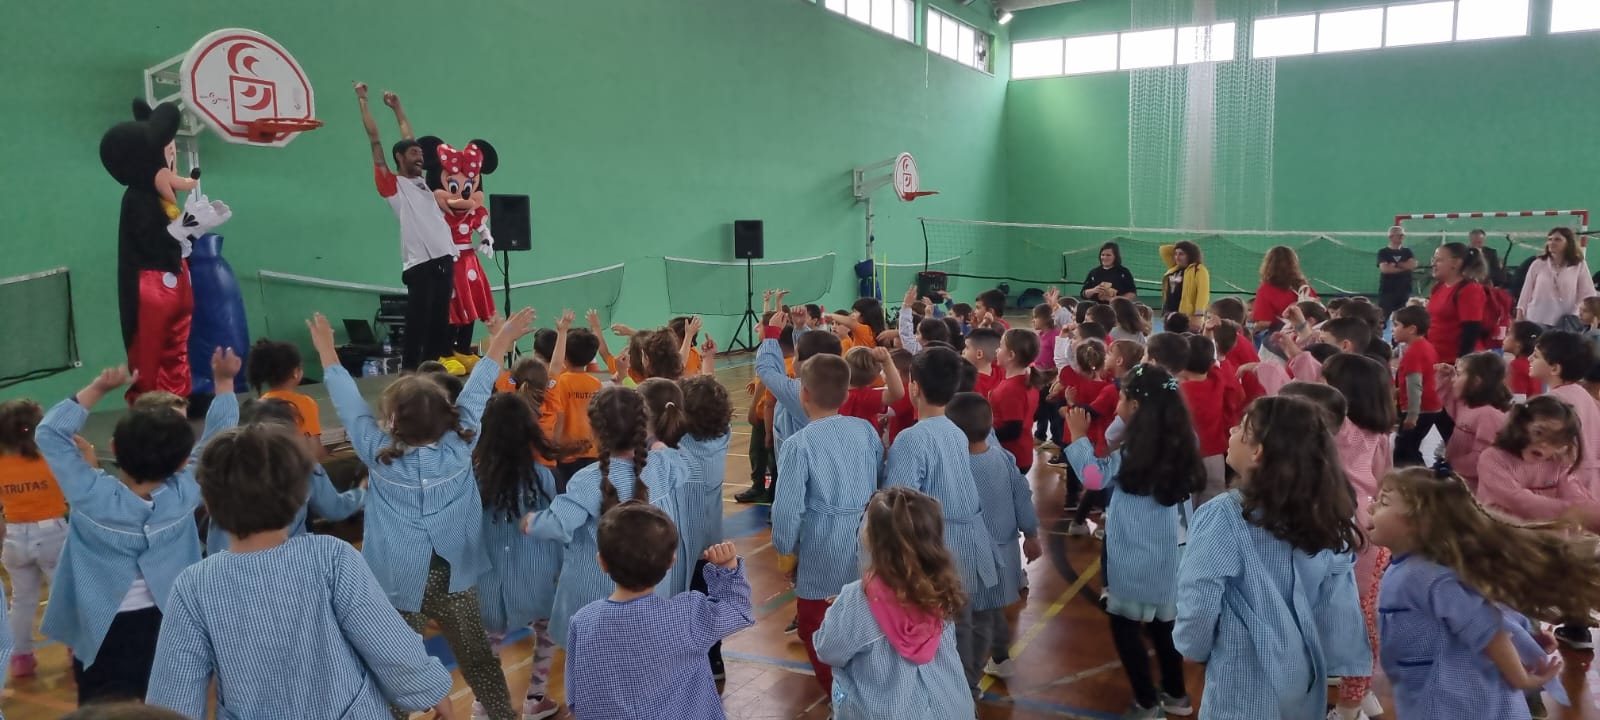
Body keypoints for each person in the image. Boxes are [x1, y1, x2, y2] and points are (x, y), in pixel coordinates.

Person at [145, 423, 455, 720]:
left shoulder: (193, 586)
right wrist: (429, 689)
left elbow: (174, 693)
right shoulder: (331, 557)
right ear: (301, 495)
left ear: (208, 504)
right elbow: (386, 640)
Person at [310, 309, 529, 720]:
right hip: (455, 577)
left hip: (396, 581)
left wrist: (327, 351)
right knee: (477, 659)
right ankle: (502, 715)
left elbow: (348, 403)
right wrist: (501, 339)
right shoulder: (461, 445)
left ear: (392, 421)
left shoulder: (377, 453)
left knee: (396, 665)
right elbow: (478, 387)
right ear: (447, 416)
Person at [36, 350, 239, 704]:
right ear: (182, 461)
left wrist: (98, 389)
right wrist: (224, 383)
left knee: (101, 706)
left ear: (114, 447)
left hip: (102, 627)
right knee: (169, 701)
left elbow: (49, 433)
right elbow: (218, 438)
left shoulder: (91, 495)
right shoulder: (184, 493)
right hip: (168, 618)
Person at [1175, 396, 1370, 718]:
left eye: (1242, 429)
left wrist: (1191, 646)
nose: (1232, 431)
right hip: (1304, 676)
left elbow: (1200, 595)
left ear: (1258, 452)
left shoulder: (1223, 515)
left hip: (1244, 680)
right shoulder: (1327, 513)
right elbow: (1338, 604)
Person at [1368, 468, 1597, 719]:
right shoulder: (1415, 569)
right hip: (1434, 696)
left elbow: (1487, 629)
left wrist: (1520, 678)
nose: (1371, 508)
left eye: (1384, 502)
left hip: (1459, 704)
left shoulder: (1426, 576)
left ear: (1419, 523)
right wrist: (1527, 639)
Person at [1064, 365, 1203, 718]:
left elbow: (1093, 478)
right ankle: (1176, 694)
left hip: (1140, 552)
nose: (1116, 405)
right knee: (1163, 625)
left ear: (1137, 407)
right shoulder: (1184, 439)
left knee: (1124, 624)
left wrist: (1077, 436)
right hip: (1174, 551)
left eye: (1122, 398)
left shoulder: (1136, 452)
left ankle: (1145, 701)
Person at [884, 347, 1001, 699]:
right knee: (974, 619)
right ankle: (969, 685)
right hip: (973, 538)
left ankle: (955, 693)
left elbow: (899, 504)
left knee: (950, 624)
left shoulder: (912, 438)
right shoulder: (955, 430)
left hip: (943, 545)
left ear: (914, 387)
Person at [564, 503, 751, 720]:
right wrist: (727, 569)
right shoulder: (686, 616)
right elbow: (737, 610)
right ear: (671, 562)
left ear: (602, 562)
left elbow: (574, 696)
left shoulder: (582, 621)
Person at [531, 386, 679, 654]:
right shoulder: (661, 466)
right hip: (649, 591)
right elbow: (682, 465)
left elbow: (556, 524)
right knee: (640, 655)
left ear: (595, 431)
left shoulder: (588, 480)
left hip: (593, 595)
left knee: (590, 663)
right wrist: (658, 445)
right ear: (643, 427)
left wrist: (529, 522)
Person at [812, 487, 975, 720]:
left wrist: (843, 609)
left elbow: (828, 650)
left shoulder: (856, 599)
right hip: (951, 705)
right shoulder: (942, 587)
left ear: (872, 538)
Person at [772, 353, 883, 692]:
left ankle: (841, 698)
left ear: (803, 392)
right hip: (868, 540)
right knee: (864, 617)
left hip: (823, 547)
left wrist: (786, 550)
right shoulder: (865, 430)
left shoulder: (798, 444)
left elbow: (787, 510)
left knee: (814, 624)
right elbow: (879, 477)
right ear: (847, 393)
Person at [472, 393, 563, 720]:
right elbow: (553, 529)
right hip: (535, 577)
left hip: (489, 581)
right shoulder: (541, 477)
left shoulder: (473, 479)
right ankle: (535, 698)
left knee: (489, 644)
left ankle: (483, 706)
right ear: (529, 431)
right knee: (547, 631)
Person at [354, 82, 456, 370]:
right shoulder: (392, 185)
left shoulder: (421, 181)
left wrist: (397, 108)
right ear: (399, 157)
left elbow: (408, 135)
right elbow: (375, 139)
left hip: (444, 258)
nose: (420, 157)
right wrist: (363, 100)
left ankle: (431, 371)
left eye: (420, 153)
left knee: (439, 323)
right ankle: (410, 372)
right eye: (413, 153)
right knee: (418, 322)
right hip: (420, 263)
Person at [946, 394, 1040, 680]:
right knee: (991, 608)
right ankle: (1000, 658)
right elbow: (1023, 497)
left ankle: (968, 676)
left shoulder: (954, 468)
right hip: (1005, 551)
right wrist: (1031, 534)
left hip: (970, 556)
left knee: (971, 617)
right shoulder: (1004, 458)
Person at [206, 398, 365, 556]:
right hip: (293, 560)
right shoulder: (306, 466)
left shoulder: (222, 469)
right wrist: (362, 491)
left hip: (229, 563)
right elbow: (335, 509)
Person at [0, 399, 69, 678]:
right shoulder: (52, 457)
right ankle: (75, 649)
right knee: (64, 596)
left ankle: (21, 658)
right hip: (52, 534)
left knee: (21, 600)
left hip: (14, 536)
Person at [1435, 353, 1513, 490]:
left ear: (1476, 382)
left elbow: (1483, 456)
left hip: (1475, 487)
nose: (1454, 379)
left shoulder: (1488, 415)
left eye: (1459, 375)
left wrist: (1452, 465)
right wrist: (1446, 375)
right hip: (1460, 480)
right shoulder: (1467, 406)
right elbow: (1448, 398)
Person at [1531, 330, 1600, 483]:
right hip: (1590, 479)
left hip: (1565, 480)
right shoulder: (1582, 393)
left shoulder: (1551, 402)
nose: (1529, 359)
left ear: (1555, 369)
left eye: (1535, 356)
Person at [246, 338, 325, 454]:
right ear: (295, 373)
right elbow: (315, 448)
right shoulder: (305, 403)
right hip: (299, 462)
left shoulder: (258, 405)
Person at [1391, 306, 1444, 466]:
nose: (1393, 330)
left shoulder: (1414, 352)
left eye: (1397, 325)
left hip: (1421, 409)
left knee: (1404, 451)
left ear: (1412, 329)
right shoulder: (1425, 346)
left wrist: (1412, 415)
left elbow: (1415, 385)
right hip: (1429, 406)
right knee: (1409, 447)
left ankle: (1419, 478)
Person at [1517, 227, 1595, 330]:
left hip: (1566, 322)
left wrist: (1583, 315)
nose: (1552, 242)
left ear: (1568, 243)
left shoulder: (1578, 265)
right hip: (1537, 320)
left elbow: (1587, 293)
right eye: (1550, 239)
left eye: (1557, 239)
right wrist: (1519, 317)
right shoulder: (1538, 263)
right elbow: (1526, 292)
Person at [988, 329, 1042, 473]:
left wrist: (982, 435)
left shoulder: (1011, 389)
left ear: (1011, 355)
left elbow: (1013, 430)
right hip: (1020, 454)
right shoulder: (1027, 379)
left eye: (1000, 346)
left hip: (1012, 456)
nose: (997, 350)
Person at [1427, 242, 1490, 364]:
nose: (1433, 264)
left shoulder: (1470, 289)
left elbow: (1471, 330)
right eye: (1433, 260)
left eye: (1439, 260)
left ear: (1455, 263)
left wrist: (1461, 363)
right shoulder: (1438, 287)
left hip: (1455, 362)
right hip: (1438, 359)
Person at [1251, 246, 1317, 336]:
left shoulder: (1265, 290)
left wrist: (1251, 331)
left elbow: (1265, 323)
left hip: (1285, 335)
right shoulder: (1303, 286)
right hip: (1310, 332)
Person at [1159, 240, 1210, 323]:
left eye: (1181, 254)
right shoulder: (1174, 268)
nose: (1177, 257)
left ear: (1190, 255)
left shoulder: (1199, 269)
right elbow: (1163, 250)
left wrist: (1198, 315)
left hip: (1186, 317)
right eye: (1175, 254)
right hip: (1169, 314)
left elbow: (1203, 293)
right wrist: (1179, 246)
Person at [1377, 225, 1418, 321]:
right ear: (1391, 237)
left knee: (1404, 319)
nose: (1402, 237)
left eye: (1403, 235)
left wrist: (1395, 265)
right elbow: (1385, 269)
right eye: (1399, 235)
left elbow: (1413, 265)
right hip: (1387, 292)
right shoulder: (1383, 252)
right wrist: (1404, 266)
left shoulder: (1407, 251)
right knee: (1384, 318)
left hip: (1405, 291)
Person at [1504, 321, 1544, 399]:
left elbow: (1518, 399)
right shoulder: (1534, 363)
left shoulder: (1517, 365)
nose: (1505, 337)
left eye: (1508, 334)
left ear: (1518, 343)